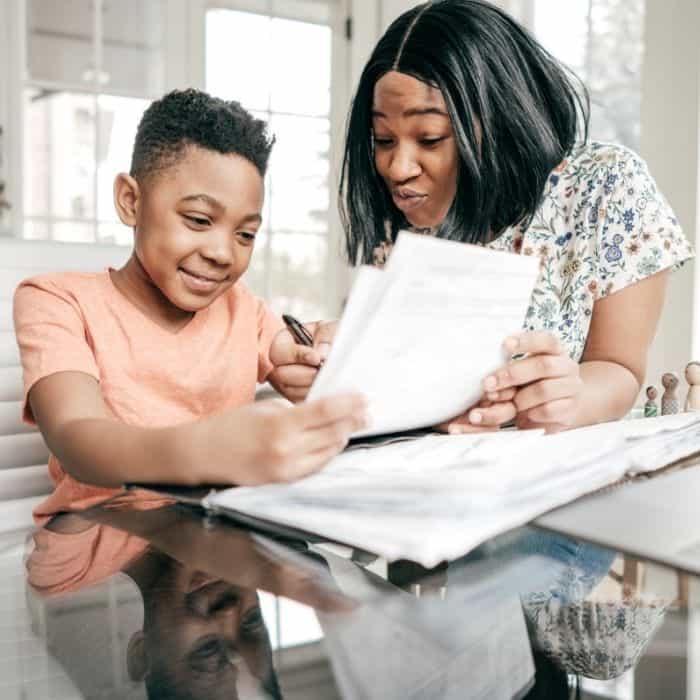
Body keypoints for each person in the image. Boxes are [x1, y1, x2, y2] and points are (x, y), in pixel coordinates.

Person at [13, 88, 366, 526]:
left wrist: (329, 357)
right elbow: (76, 438)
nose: (223, 252)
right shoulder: (56, 300)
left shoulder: (244, 311)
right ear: (131, 201)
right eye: (199, 220)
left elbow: (289, 349)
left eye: (245, 235)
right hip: (99, 539)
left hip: (217, 533)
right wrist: (209, 451)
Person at [338, 0, 693, 435]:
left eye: (429, 138)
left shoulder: (606, 184)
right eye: (383, 139)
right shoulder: (410, 220)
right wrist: (334, 365)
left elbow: (617, 368)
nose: (396, 167)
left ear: (499, 118)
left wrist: (570, 397)